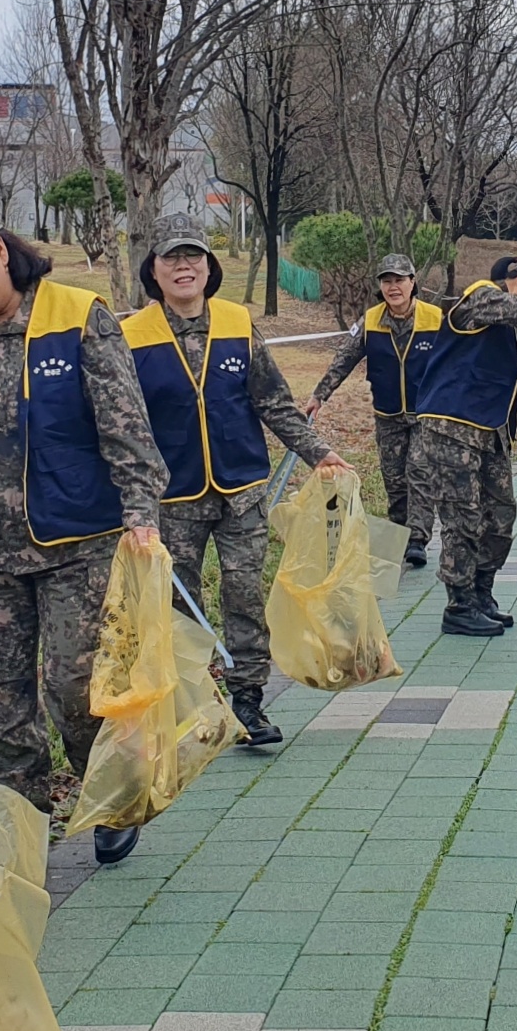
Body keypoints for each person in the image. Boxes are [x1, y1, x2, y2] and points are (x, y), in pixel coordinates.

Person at [0, 200, 168, 866]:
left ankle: (107, 792)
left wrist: (141, 511)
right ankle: (19, 838)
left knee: (77, 691)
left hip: (77, 545)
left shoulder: (77, 320)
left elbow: (126, 427)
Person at [123, 220, 349, 748]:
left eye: (194, 257)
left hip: (242, 490)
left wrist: (320, 453)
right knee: (180, 606)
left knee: (245, 594)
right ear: (152, 270)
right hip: (170, 496)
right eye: (172, 258)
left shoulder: (237, 323)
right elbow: (117, 423)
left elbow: (272, 402)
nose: (185, 267)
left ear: (210, 267)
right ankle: (195, 706)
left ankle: (249, 700)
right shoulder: (130, 336)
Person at [412, 249, 517, 636]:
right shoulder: (482, 296)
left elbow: (495, 361)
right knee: (462, 517)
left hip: (491, 430)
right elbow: (510, 310)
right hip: (453, 427)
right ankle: (460, 603)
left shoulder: (507, 318)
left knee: (500, 517)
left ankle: (482, 592)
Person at [306, 252, 443, 568]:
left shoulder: (436, 319)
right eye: (387, 281)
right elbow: (344, 359)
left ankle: (418, 539)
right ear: (380, 287)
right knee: (394, 479)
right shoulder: (370, 321)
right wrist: (320, 395)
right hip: (388, 413)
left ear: (412, 283)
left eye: (399, 280)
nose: (393, 287)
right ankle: (401, 535)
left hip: (428, 414)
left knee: (419, 472)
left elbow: (459, 361)